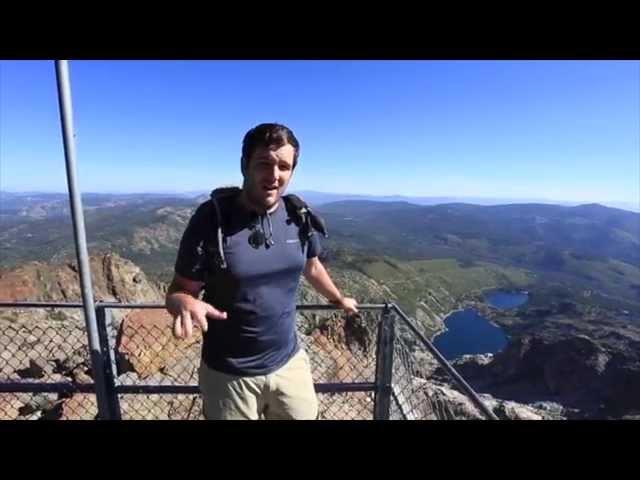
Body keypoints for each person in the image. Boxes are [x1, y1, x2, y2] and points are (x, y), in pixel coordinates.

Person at [165, 123, 358, 420]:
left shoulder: (297, 215)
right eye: (264, 164)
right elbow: (178, 290)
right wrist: (185, 303)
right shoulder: (212, 220)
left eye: (284, 166)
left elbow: (312, 265)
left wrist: (338, 299)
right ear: (244, 165)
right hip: (230, 375)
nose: (274, 175)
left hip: (288, 362)